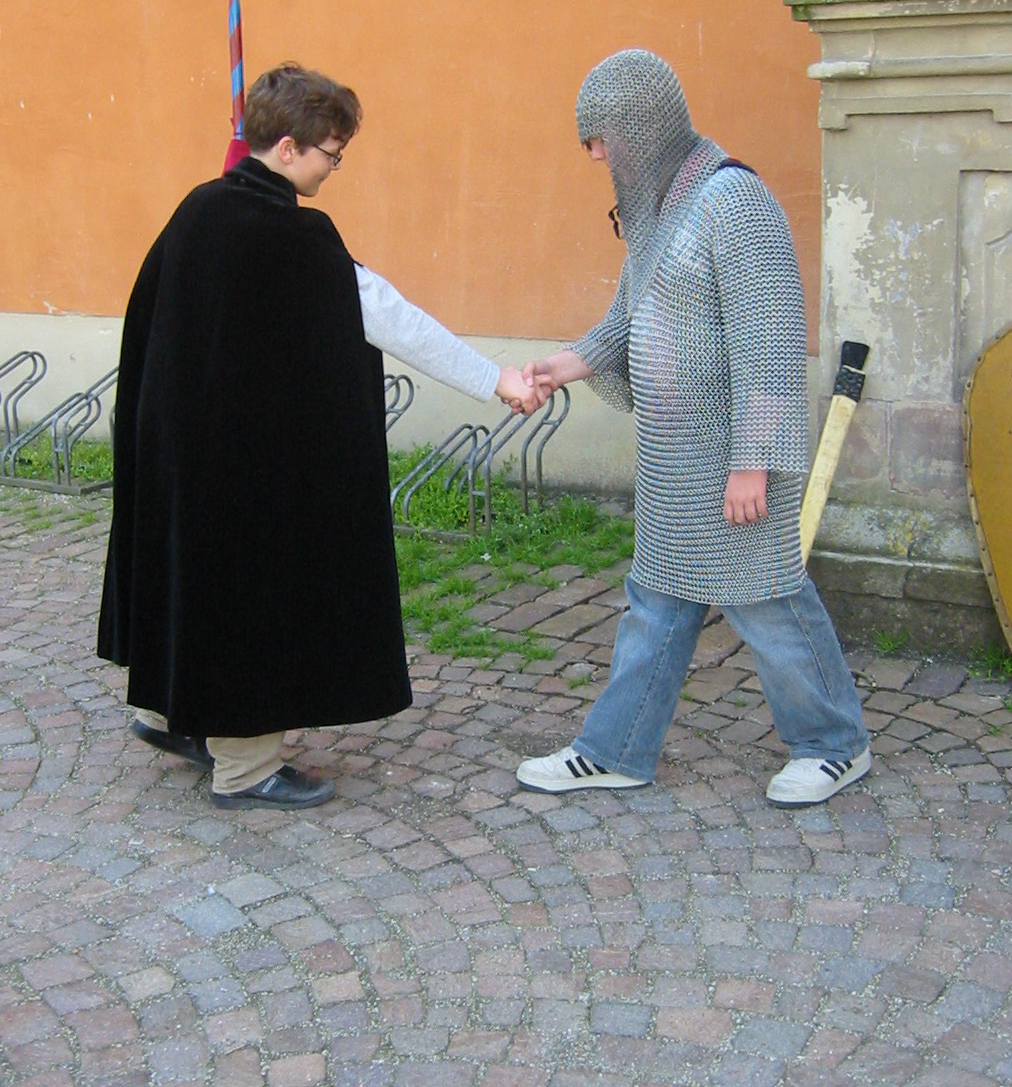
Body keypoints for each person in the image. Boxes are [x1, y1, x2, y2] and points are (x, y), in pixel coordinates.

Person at [98, 62, 537, 809]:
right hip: (244, 468)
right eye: (332, 154)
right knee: (252, 591)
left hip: (182, 452)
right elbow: (388, 315)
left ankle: (178, 717)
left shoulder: (197, 209)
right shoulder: (294, 238)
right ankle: (245, 766)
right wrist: (495, 379)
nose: (335, 168)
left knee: (191, 577)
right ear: (289, 148)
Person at [517, 50, 870, 808]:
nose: (593, 154)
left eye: (599, 136)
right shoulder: (658, 211)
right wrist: (567, 364)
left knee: (767, 601)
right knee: (657, 604)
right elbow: (630, 316)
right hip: (678, 462)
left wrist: (753, 463)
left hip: (732, 461)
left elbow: (768, 340)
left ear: (641, 125)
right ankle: (615, 751)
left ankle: (834, 744)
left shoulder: (733, 201)